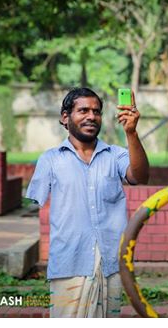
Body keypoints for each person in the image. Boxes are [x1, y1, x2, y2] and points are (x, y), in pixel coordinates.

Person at [26, 87, 149, 318]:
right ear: (65, 117)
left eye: (97, 111)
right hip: (69, 263)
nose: (91, 116)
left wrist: (131, 133)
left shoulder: (116, 155)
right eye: (83, 110)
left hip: (111, 263)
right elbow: (34, 205)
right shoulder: (50, 159)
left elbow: (140, 177)